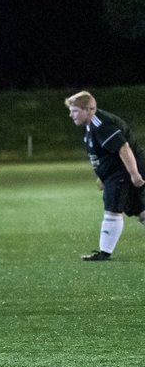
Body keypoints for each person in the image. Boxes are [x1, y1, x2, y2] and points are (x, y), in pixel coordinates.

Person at [65, 90, 145, 261]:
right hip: (116, 171)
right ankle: (104, 252)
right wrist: (102, 176)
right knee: (136, 208)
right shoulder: (90, 125)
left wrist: (134, 173)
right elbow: (103, 155)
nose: (71, 115)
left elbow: (123, 147)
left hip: (122, 170)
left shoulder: (101, 124)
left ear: (89, 109)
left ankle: (104, 252)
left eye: (75, 110)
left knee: (112, 208)